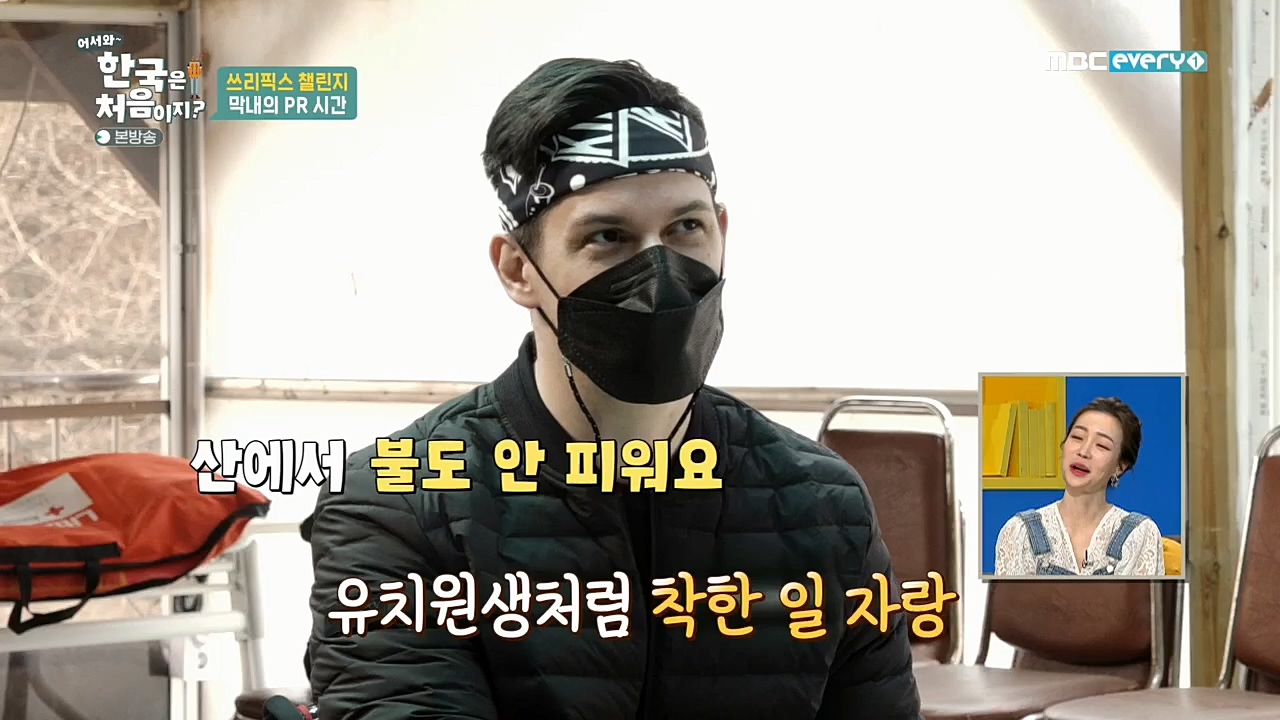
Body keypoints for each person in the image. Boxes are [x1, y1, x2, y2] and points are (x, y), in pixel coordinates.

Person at [305, 58, 922, 719]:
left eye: (686, 228)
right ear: (517, 269)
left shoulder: (820, 503)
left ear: (723, 232)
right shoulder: (400, 505)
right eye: (608, 237)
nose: (660, 271)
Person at [993, 396, 1165, 577]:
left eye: (1102, 445)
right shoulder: (1019, 533)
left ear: (1120, 467)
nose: (1083, 451)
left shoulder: (1140, 534)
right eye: (1077, 437)